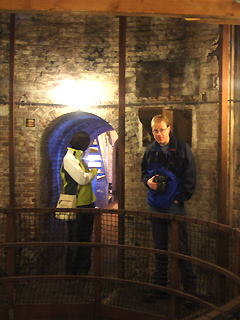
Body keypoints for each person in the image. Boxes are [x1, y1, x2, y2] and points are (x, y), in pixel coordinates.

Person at [141, 114, 197, 301]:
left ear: (169, 128)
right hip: (155, 203)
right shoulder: (150, 150)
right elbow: (143, 172)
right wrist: (147, 182)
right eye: (155, 130)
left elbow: (190, 175)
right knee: (160, 248)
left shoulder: (181, 148)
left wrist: (180, 198)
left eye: (161, 130)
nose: (158, 134)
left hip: (174, 205)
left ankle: (189, 293)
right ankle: (160, 289)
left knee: (181, 248)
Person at [60, 131, 98, 275]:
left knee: (85, 238)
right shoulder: (70, 159)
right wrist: (93, 173)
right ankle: (71, 272)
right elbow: (82, 179)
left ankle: (83, 270)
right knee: (75, 239)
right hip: (77, 204)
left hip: (87, 203)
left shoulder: (79, 159)